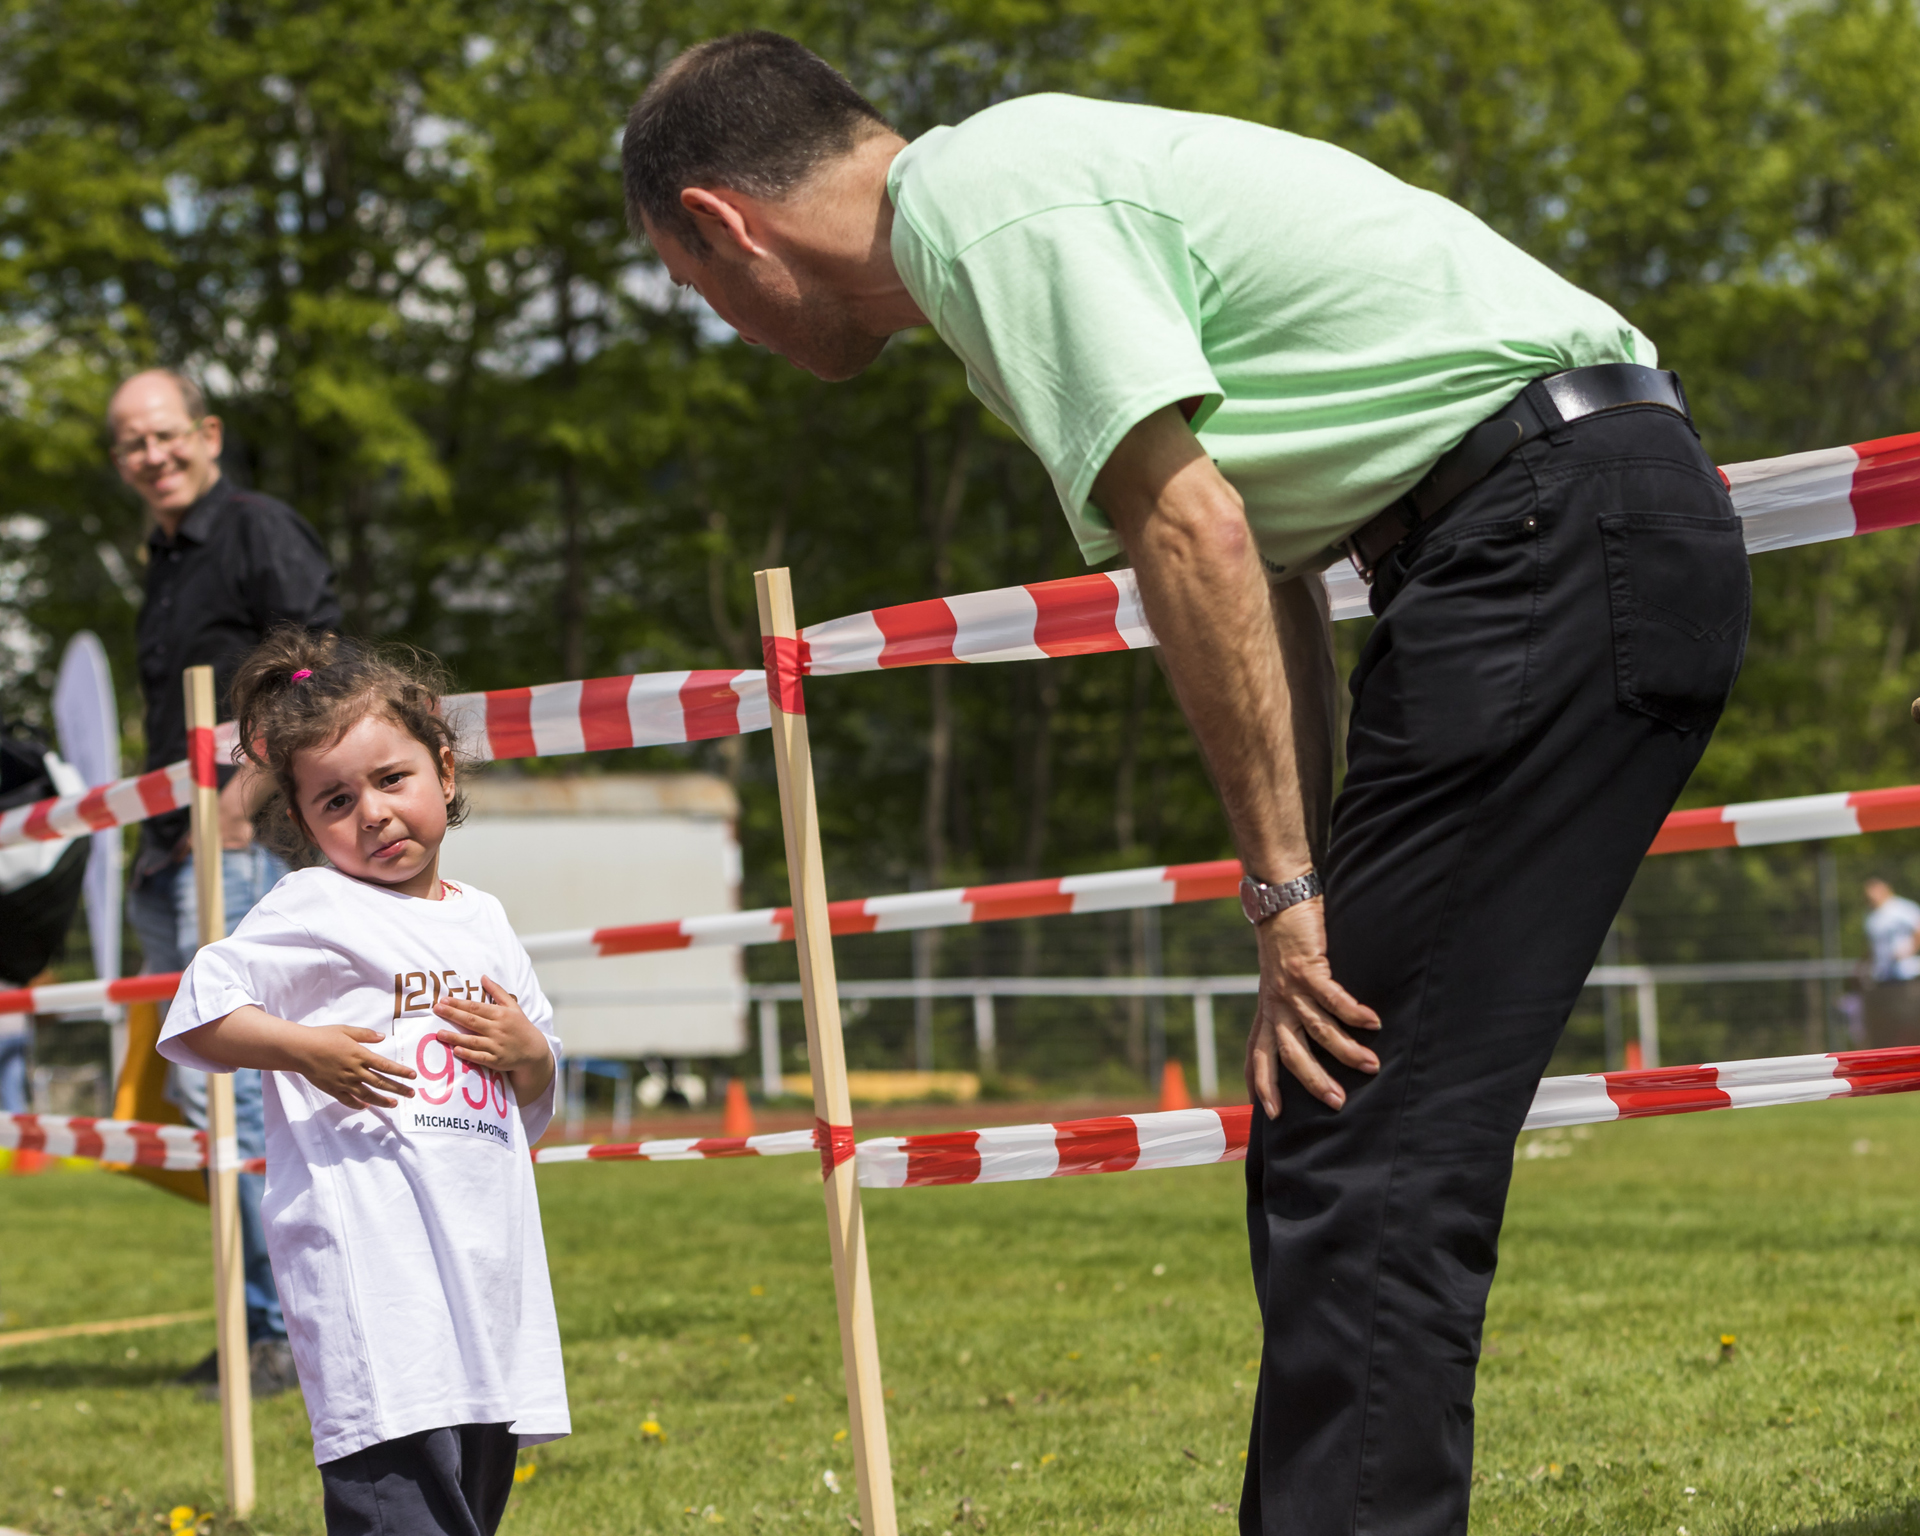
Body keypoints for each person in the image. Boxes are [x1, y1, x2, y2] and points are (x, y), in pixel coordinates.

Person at [620, 36, 1752, 1535]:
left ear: (724, 223)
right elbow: (1262, 566)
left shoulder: (989, 212)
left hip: (1544, 540)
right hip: (1554, 536)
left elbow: (1196, 538)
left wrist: (1285, 900)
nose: (727, 328)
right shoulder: (1008, 213)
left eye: (696, 289)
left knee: (1364, 1133)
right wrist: (1312, 884)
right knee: (1333, 1121)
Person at [157, 629, 568, 1536]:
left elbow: (540, 1081)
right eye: (337, 801)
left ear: (445, 771)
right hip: (375, 1285)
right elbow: (196, 1012)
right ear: (305, 825)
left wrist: (529, 1049)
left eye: (392, 780)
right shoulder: (314, 905)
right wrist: (304, 1050)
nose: (373, 814)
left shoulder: (487, 921)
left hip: (488, 1287)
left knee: (471, 1510)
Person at [110, 367, 341, 1396]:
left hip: (239, 847)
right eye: (132, 443)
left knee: (244, 1097)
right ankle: (257, 1322)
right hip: (171, 848)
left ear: (207, 433)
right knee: (207, 1096)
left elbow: (320, 664)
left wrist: (247, 792)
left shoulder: (256, 528)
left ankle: (288, 1329)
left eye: (165, 434)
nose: (152, 455)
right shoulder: (163, 559)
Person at [1861, 878, 1920, 1047]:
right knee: (1888, 1025)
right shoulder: (1870, 915)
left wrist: (1909, 950)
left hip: (1906, 976)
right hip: (1882, 978)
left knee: (1910, 1020)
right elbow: (1873, 947)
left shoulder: (1903, 908)